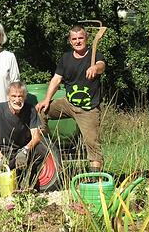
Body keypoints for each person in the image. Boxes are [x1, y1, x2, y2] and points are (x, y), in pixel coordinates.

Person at [35, 24, 106, 171]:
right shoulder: (66, 58)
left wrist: (95, 68)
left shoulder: (94, 55)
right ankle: (46, 147)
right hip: (68, 103)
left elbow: (101, 65)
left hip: (88, 108)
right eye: (74, 39)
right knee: (40, 111)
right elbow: (56, 80)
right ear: (70, 41)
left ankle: (96, 179)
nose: (78, 41)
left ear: (86, 38)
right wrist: (47, 99)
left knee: (92, 143)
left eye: (81, 38)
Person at [0, 81, 48, 196]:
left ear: (24, 97)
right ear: (8, 96)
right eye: (13, 96)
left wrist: (25, 150)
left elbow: (36, 136)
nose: (17, 99)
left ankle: (29, 183)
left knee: (42, 149)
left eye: (20, 96)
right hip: (2, 152)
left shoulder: (30, 110)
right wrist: (0, 157)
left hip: (20, 151)